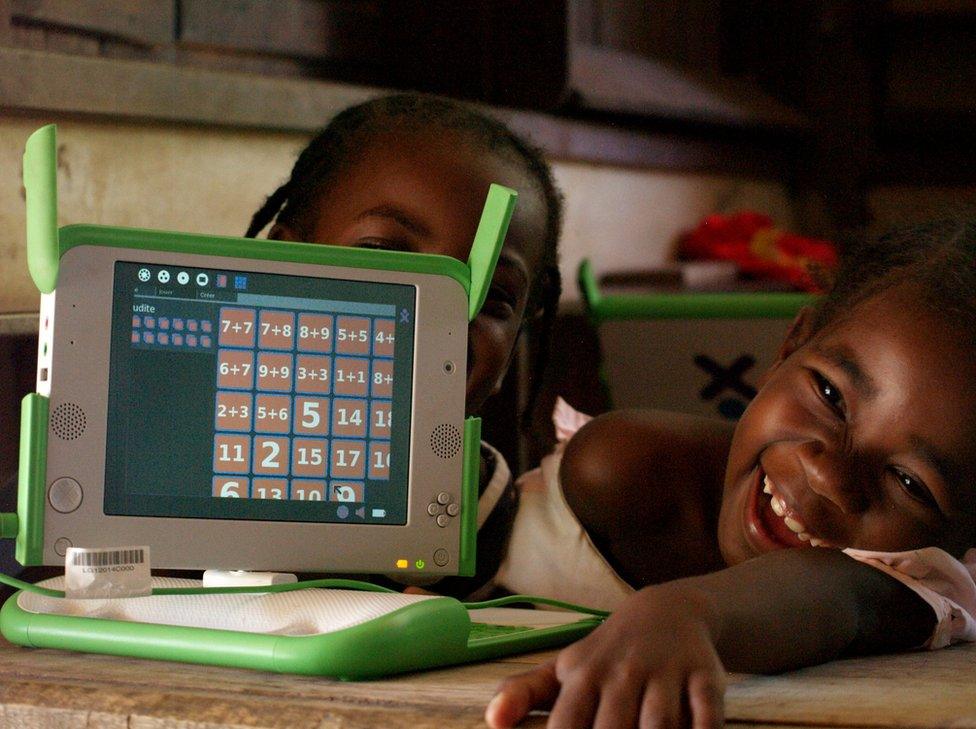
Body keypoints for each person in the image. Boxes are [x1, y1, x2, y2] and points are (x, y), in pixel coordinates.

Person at [486, 219, 976, 728]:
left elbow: (847, 592)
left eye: (910, 483)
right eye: (829, 395)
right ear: (789, 348)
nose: (829, 474)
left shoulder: (939, 583)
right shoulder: (630, 469)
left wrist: (688, 613)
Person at [245, 93, 563, 597]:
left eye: (492, 294)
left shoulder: (544, 553)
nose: (434, 312)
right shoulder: (174, 491)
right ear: (282, 267)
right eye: (383, 254)